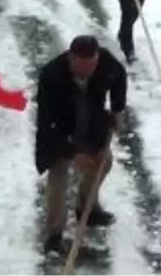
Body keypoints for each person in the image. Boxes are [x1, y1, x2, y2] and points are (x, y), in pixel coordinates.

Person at [35, 35, 127, 254]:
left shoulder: (106, 62)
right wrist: (73, 152)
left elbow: (120, 77)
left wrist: (117, 110)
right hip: (60, 130)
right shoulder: (50, 75)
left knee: (102, 164)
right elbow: (46, 124)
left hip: (91, 123)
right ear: (70, 58)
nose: (87, 71)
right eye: (81, 66)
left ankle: (87, 208)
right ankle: (54, 233)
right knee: (59, 178)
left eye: (92, 65)